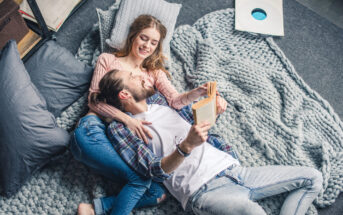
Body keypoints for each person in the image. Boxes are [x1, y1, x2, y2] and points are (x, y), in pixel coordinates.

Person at [88, 69, 323, 215]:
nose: (141, 76)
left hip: (235, 171)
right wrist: (185, 147)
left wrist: (213, 107)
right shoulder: (121, 128)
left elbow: (195, 119)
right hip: (203, 190)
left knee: (313, 178)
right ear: (124, 95)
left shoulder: (160, 100)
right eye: (132, 77)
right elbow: (152, 171)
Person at [71, 14, 228, 215]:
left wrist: (195, 93)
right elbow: (94, 100)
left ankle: (93, 208)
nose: (147, 45)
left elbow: (175, 100)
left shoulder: (153, 73)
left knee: (157, 192)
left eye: (154, 42)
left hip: (121, 139)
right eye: (144, 38)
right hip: (95, 129)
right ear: (133, 36)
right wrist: (127, 120)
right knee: (141, 180)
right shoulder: (108, 60)